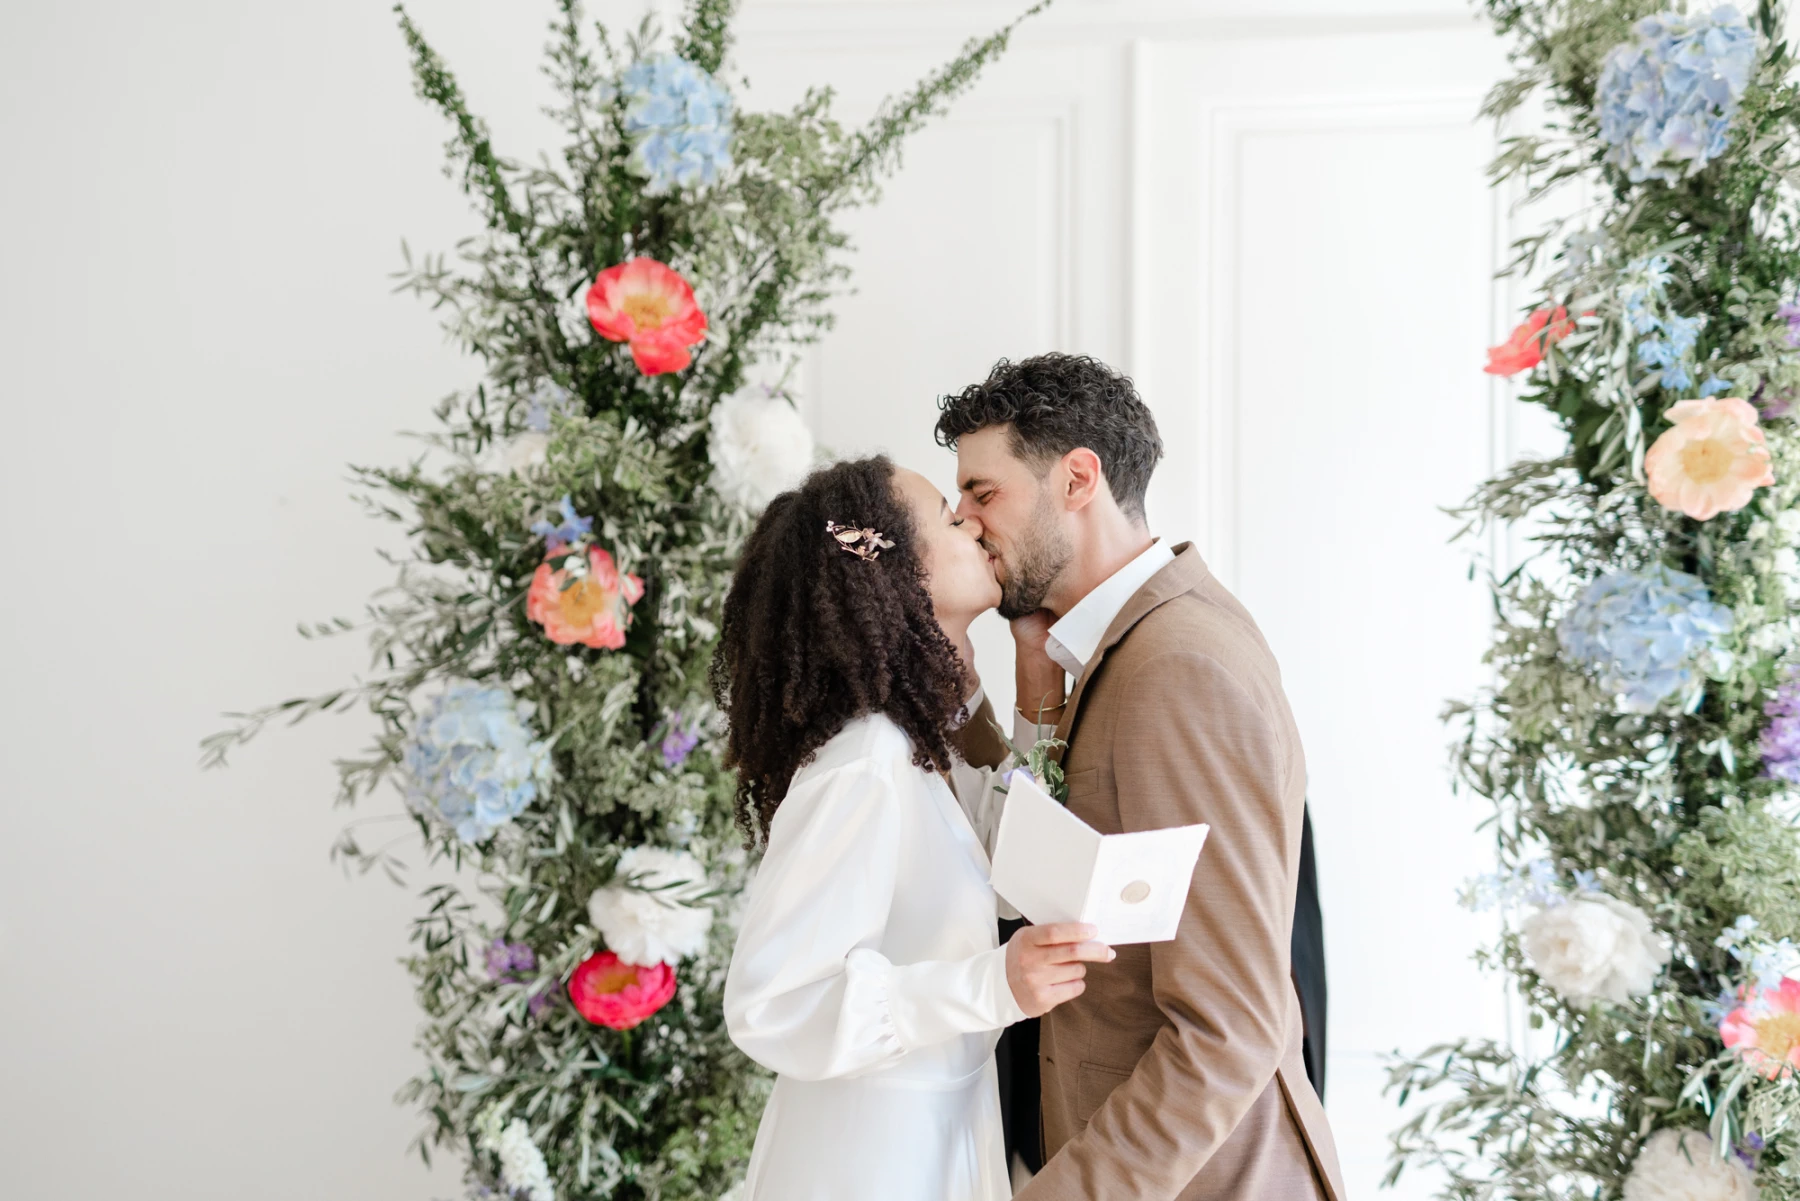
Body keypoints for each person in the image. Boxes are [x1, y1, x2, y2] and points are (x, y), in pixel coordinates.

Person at [936, 353, 1348, 1200]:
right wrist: (1030, 700)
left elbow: (1229, 1024)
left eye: (984, 493)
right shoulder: (1115, 646)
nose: (966, 523)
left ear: (1077, 478)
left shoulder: (1177, 665)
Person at [713, 456, 1112, 1201]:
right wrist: (990, 984)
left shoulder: (919, 737)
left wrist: (1034, 671)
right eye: (946, 514)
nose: (971, 520)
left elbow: (1013, 857)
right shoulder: (864, 758)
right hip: (868, 1155)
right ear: (889, 568)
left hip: (943, 1129)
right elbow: (771, 1003)